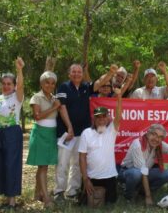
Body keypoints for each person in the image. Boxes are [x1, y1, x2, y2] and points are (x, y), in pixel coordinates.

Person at [54, 63, 117, 200]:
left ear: (82, 74)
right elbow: (62, 108)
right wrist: (69, 127)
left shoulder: (85, 87)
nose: (77, 74)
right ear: (69, 74)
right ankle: (59, 192)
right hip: (66, 133)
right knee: (62, 163)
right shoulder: (63, 86)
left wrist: (111, 73)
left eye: (79, 72)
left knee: (76, 163)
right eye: (74, 72)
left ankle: (72, 191)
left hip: (81, 133)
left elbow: (99, 82)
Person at [119, 124, 168, 205]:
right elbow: (143, 171)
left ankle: (141, 192)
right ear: (148, 133)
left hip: (144, 173)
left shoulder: (159, 144)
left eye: (160, 137)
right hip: (127, 172)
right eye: (154, 134)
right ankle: (128, 195)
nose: (156, 139)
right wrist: (148, 196)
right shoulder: (138, 144)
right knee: (136, 173)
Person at [78, 88, 122, 205]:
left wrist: (119, 97)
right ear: (94, 119)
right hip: (91, 177)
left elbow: (118, 115)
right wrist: (85, 179)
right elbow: (82, 157)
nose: (101, 119)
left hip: (110, 177)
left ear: (108, 118)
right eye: (98, 117)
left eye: (104, 116)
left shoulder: (111, 131)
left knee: (110, 204)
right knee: (84, 204)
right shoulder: (86, 133)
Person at [0, 57, 24, 209]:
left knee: (11, 165)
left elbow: (21, 85)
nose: (6, 86)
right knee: (0, 166)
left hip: (12, 133)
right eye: (4, 84)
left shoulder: (17, 97)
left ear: (14, 85)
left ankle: (12, 201)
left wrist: (19, 70)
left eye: (9, 84)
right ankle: (5, 197)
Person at [26, 71, 59, 207]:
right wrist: (54, 107)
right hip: (40, 133)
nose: (50, 85)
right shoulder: (36, 97)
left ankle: (37, 193)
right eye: (47, 82)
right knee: (43, 166)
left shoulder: (53, 98)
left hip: (51, 133)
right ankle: (46, 198)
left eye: (52, 83)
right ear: (41, 83)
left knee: (43, 166)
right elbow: (37, 116)